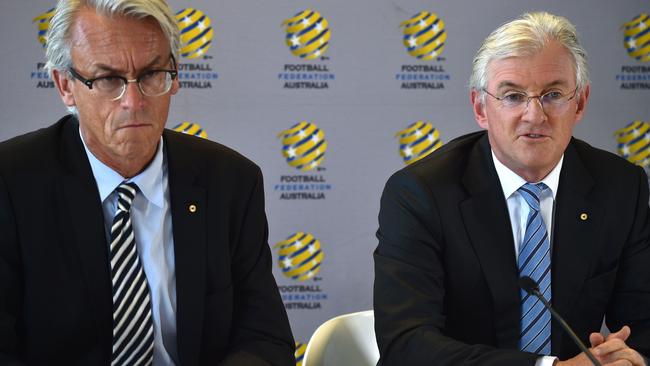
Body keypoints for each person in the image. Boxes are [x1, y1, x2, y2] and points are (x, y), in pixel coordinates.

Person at [0, 0, 294, 365]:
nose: (134, 102)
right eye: (108, 79)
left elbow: (264, 339)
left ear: (174, 75)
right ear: (66, 86)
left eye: (152, 74)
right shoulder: (11, 184)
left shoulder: (230, 181)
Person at [374, 11, 650, 366]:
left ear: (579, 103)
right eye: (513, 96)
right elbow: (406, 342)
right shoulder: (421, 193)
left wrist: (630, 357)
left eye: (552, 94)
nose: (534, 115)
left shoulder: (620, 187)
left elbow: (644, 323)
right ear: (480, 107)